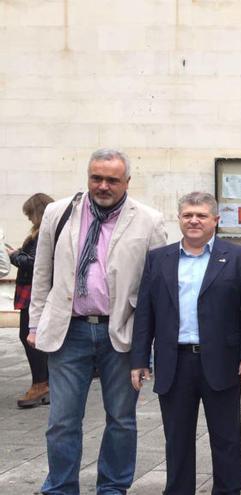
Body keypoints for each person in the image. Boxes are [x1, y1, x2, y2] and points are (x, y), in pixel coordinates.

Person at [28, 148, 167, 494]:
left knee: (121, 419)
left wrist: (151, 340)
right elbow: (42, 272)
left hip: (121, 332)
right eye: (96, 178)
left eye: (112, 180)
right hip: (69, 330)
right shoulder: (58, 213)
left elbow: (158, 285)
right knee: (62, 421)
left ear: (127, 182)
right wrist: (34, 324)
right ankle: (60, 487)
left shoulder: (148, 220)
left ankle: (113, 487)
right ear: (88, 176)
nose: (103, 185)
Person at [131, 192, 241, 494]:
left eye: (201, 215)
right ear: (179, 219)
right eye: (188, 214)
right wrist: (139, 359)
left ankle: (228, 489)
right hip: (174, 362)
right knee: (176, 438)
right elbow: (145, 312)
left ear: (215, 220)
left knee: (226, 436)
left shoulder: (239, 257)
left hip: (221, 362)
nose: (194, 220)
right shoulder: (158, 258)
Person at [6, 193, 54, 408]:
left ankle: (40, 383)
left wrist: (13, 255)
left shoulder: (44, 232)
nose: (28, 219)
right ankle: (45, 383)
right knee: (35, 337)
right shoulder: (45, 231)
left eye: (29, 215)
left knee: (29, 336)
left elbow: (35, 263)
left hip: (34, 290)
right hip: (34, 289)